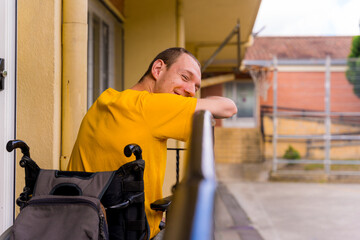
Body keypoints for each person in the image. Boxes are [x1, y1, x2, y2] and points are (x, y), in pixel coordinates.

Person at [67, 47, 237, 239]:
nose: (191, 91)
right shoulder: (150, 106)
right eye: (185, 77)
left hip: (81, 226)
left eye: (197, 87)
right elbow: (228, 107)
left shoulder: (106, 100)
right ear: (157, 69)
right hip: (129, 233)